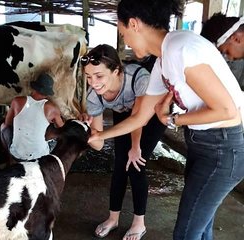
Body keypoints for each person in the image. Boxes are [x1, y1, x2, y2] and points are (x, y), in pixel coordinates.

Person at [89, 0, 244, 239]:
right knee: (200, 230)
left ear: (134, 24)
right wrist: (101, 135)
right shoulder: (163, 60)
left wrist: (174, 119)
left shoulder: (180, 49)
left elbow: (227, 110)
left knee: (186, 233)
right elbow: (141, 115)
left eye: (123, 34)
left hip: (222, 149)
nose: (126, 42)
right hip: (204, 145)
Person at [80, 44, 166, 239]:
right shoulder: (94, 97)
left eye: (99, 76)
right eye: (88, 77)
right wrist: (86, 131)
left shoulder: (139, 77)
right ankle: (113, 219)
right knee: (119, 164)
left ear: (116, 71)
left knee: (135, 164)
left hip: (151, 117)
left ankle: (139, 223)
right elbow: (99, 143)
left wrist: (135, 148)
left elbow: (138, 119)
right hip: (124, 114)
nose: (93, 83)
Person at [0, 73, 64, 165]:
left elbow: (7, 123)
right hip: (39, 157)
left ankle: (9, 159)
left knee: (3, 126)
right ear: (48, 92)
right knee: (56, 137)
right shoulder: (52, 108)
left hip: (17, 155)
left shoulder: (17, 101)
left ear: (34, 88)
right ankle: (52, 164)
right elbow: (63, 130)